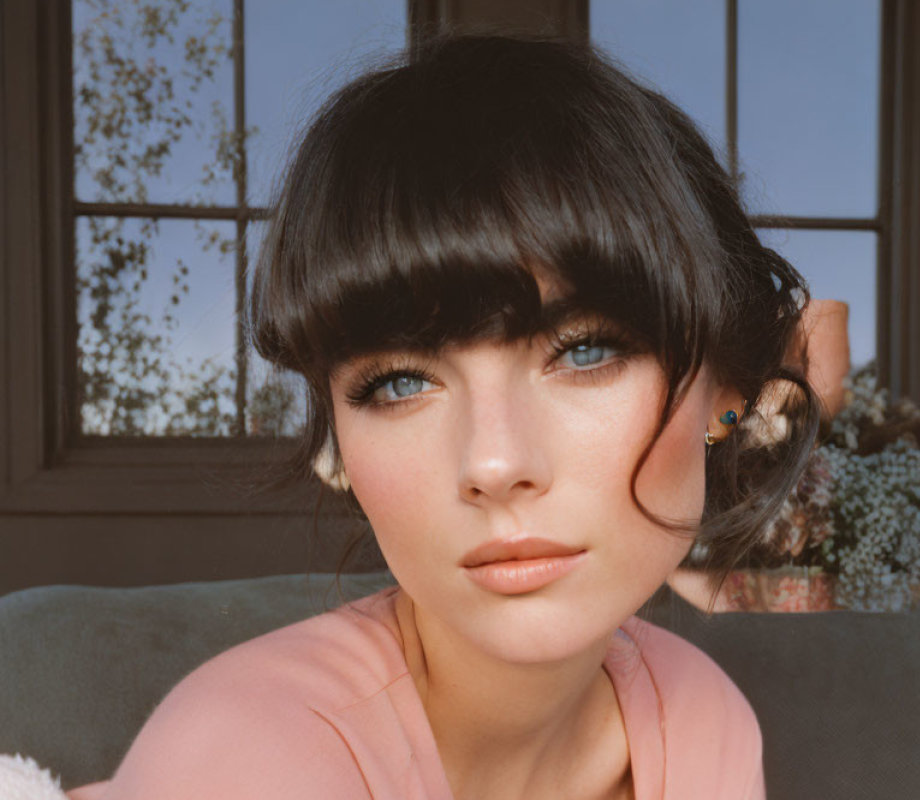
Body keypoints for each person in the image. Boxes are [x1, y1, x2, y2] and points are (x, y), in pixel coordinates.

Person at [68, 32, 818, 800]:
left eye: (587, 351)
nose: (493, 465)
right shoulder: (245, 757)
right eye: (397, 384)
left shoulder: (702, 722)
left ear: (726, 392)